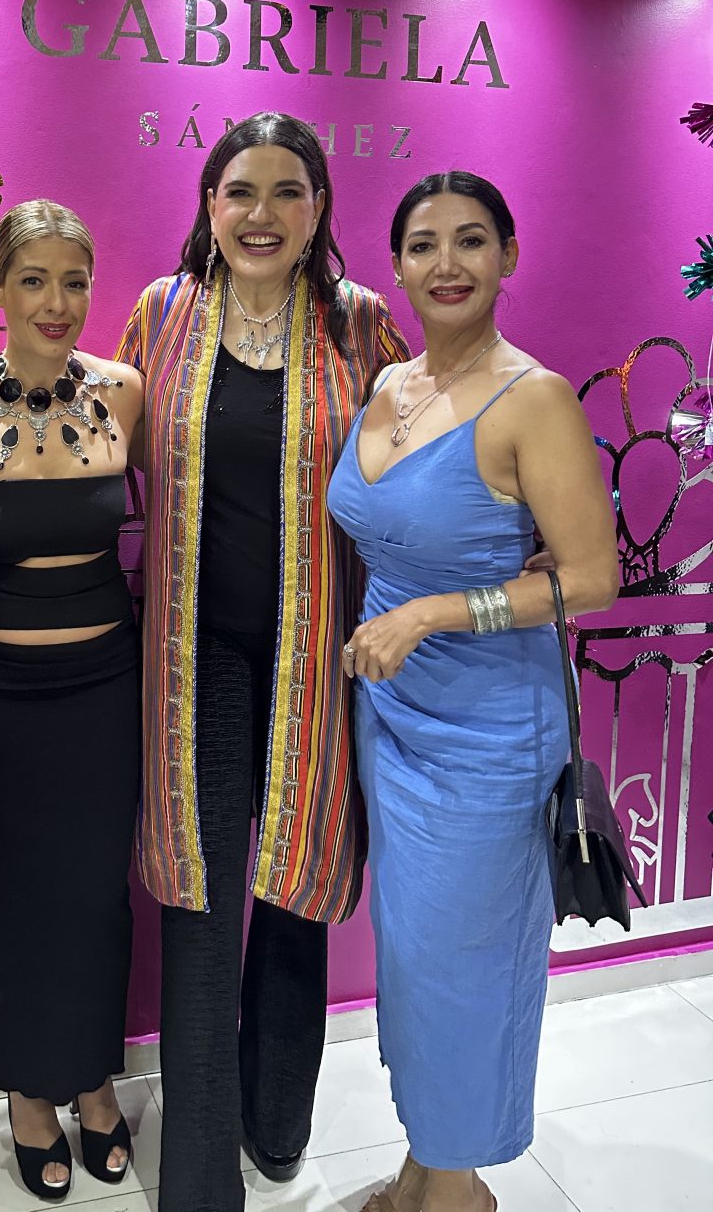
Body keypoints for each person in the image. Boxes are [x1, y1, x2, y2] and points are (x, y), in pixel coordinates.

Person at [116, 112, 411, 1211]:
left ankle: (278, 1125)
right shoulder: (162, 314)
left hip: (319, 659)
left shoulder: (359, 323)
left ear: (319, 209)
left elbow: (421, 462)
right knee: (200, 908)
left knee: (295, 897)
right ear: (209, 203)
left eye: (289, 192)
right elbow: (98, 449)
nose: (262, 213)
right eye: (241, 190)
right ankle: (200, 1183)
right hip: (191, 663)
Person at [326, 170, 619, 1212]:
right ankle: (425, 1165)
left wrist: (432, 614)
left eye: (471, 240)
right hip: (392, 717)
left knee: (466, 963)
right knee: (414, 959)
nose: (446, 264)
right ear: (396, 265)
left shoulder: (533, 397)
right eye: (423, 245)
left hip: (489, 731)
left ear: (508, 257)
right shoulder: (389, 384)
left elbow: (591, 578)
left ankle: (459, 1190)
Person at [0, 199, 144, 1201]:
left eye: (74, 281)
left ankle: (94, 1078)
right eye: (33, 280)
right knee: (5, 894)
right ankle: (29, 1093)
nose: (56, 301)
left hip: (102, 691)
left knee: (92, 895)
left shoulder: (124, 391)